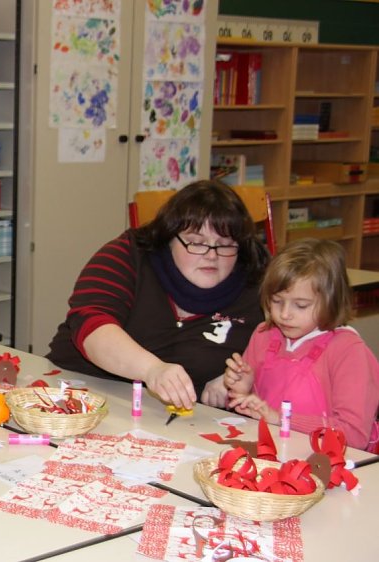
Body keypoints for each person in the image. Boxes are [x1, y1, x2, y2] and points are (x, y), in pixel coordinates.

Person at [47, 180, 269, 410]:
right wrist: (152, 369)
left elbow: (285, 352)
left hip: (173, 419)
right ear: (169, 238)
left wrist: (236, 383)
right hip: (74, 392)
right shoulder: (128, 255)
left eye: (225, 245)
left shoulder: (259, 285)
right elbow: (91, 324)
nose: (211, 255)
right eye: (196, 242)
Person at [225, 239, 379, 450]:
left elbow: (354, 435)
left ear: (331, 300)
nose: (285, 314)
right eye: (277, 301)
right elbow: (250, 414)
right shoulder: (264, 334)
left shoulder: (347, 350)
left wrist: (281, 419)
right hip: (270, 455)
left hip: (327, 466)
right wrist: (241, 393)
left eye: (301, 305)